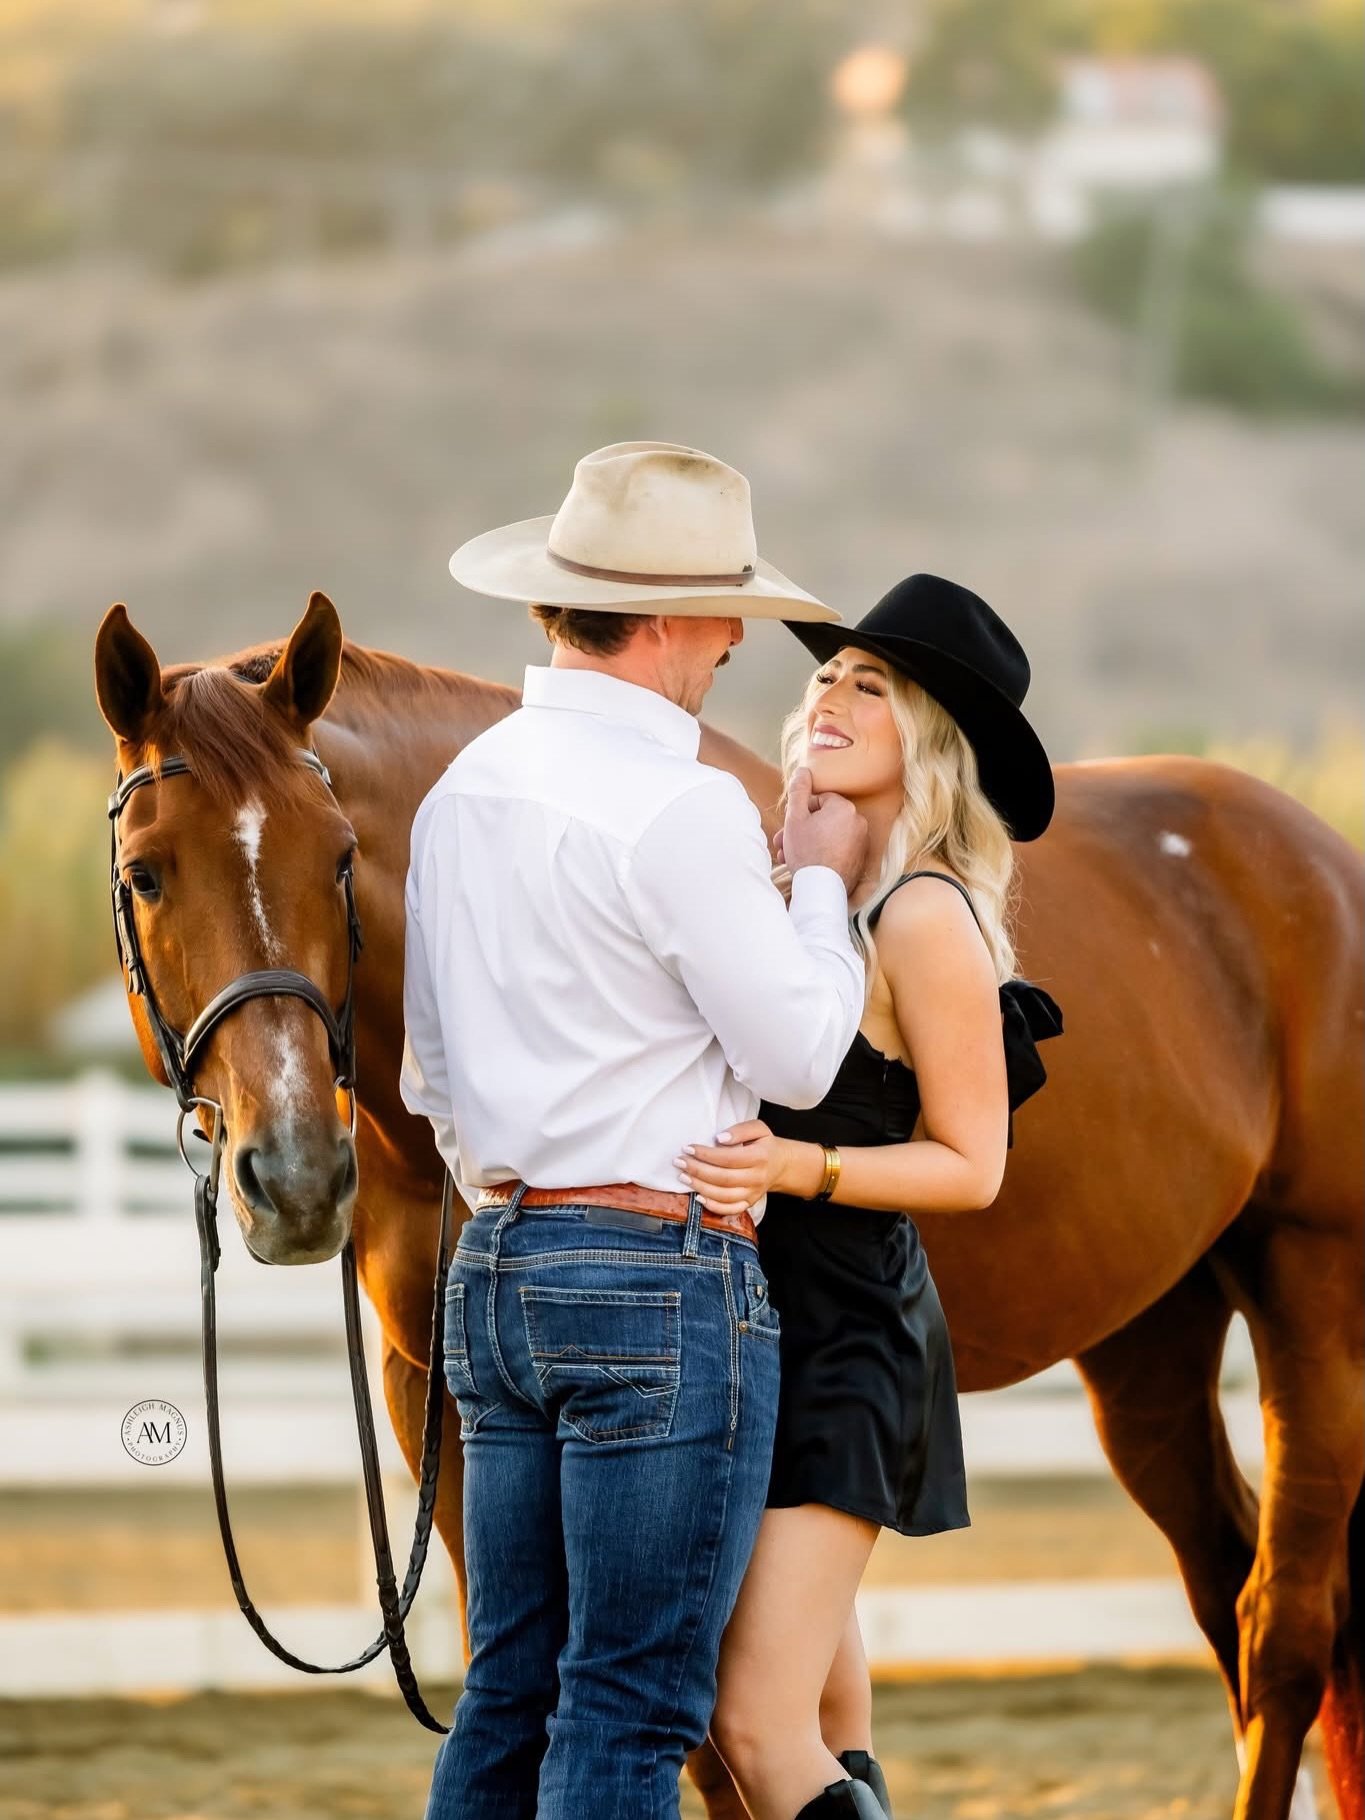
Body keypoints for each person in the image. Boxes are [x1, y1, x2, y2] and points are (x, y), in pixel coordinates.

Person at [399, 441, 881, 1820]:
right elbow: (794, 1052)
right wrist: (823, 893)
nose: (737, 641)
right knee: (628, 1704)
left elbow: (434, 1082)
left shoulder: (464, 793)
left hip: (500, 1267)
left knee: (510, 1688)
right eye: (726, 614)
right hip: (656, 1280)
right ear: (668, 622)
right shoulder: (683, 806)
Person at [676, 574, 1065, 1820]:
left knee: (750, 1719)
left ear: (931, 740)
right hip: (767, 1326)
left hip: (849, 1338)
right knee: (827, 1722)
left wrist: (803, 1166)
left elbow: (974, 1162)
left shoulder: (925, 914)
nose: (828, 695)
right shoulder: (821, 893)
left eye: (871, 685)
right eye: (826, 676)